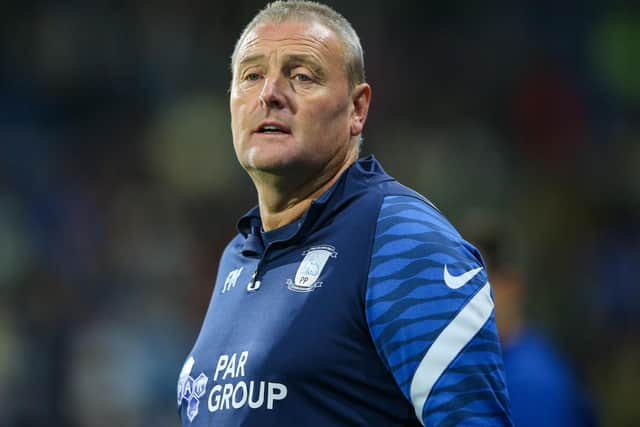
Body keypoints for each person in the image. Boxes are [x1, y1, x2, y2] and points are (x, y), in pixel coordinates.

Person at [177, 1, 512, 425]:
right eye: (251, 76)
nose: (270, 94)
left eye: (301, 76)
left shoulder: (402, 240)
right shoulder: (238, 257)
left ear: (358, 109)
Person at [464, 220, 598, 427]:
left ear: (511, 286)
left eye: (476, 281)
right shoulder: (480, 364)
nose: (465, 298)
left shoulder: (532, 382)